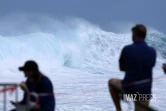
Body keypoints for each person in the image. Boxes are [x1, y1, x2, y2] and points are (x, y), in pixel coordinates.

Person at [108, 24, 156, 111]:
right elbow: (150, 66)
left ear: (134, 34)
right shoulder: (152, 51)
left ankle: (119, 109)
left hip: (129, 89)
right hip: (145, 92)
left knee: (111, 82)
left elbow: (121, 68)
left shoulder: (127, 49)